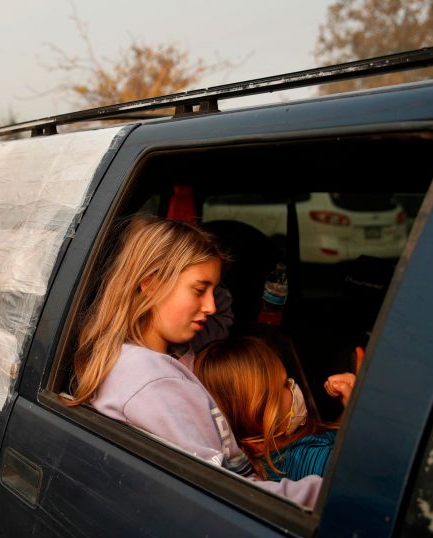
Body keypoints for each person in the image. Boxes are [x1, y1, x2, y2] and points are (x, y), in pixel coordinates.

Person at [64, 215, 321, 507]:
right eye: (199, 290)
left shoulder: (162, 361)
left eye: (215, 292)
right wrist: (327, 496)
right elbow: (228, 497)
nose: (211, 306)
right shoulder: (152, 381)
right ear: (150, 284)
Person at [193, 337, 338, 481]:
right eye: (284, 385)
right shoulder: (314, 462)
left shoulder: (265, 458)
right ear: (260, 410)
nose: (293, 385)